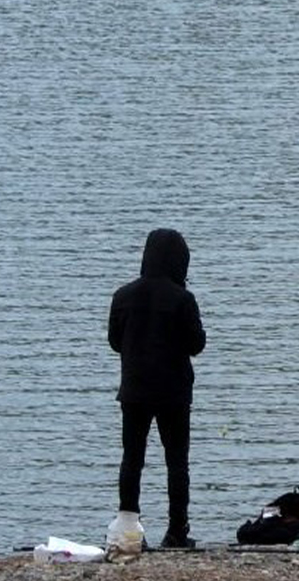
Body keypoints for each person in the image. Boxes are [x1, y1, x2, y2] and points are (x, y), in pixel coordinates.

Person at [108, 228, 207, 548]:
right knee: (177, 461)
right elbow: (196, 344)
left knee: (132, 459)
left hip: (134, 390)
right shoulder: (182, 298)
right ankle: (177, 530)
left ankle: (126, 527)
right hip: (173, 393)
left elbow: (114, 341)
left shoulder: (123, 296)